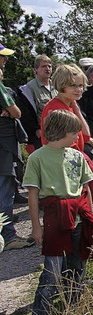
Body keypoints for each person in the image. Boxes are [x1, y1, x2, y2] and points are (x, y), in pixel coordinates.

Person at [23, 109, 93, 315]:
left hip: (78, 219)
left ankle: (73, 314)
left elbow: (85, 188)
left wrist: (92, 217)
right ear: (63, 132)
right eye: (75, 133)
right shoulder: (37, 158)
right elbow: (33, 195)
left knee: (77, 270)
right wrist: (36, 227)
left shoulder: (76, 156)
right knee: (52, 275)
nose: (78, 137)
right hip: (55, 220)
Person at [41, 64, 93, 207]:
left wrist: (75, 107)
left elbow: (86, 135)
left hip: (73, 161)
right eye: (73, 86)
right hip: (63, 168)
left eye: (81, 85)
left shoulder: (69, 104)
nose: (78, 89)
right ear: (61, 85)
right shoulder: (56, 109)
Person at [0, 42, 35, 250]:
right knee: (5, 190)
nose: (5, 60)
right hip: (4, 148)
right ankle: (9, 236)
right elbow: (17, 112)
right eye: (2, 56)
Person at [16, 54, 56, 150]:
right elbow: (26, 114)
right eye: (43, 66)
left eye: (49, 66)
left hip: (59, 133)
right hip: (41, 136)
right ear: (36, 69)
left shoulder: (57, 86)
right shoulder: (28, 89)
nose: (47, 69)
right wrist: (36, 130)